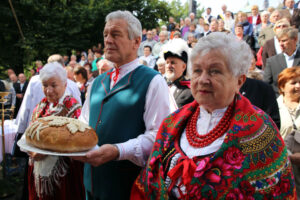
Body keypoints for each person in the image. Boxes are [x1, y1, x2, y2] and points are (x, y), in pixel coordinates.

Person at [131, 32, 296, 199]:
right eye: (197, 70)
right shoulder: (171, 124)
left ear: (239, 81)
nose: (203, 79)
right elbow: (150, 182)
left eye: (214, 71)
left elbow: (278, 191)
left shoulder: (261, 131)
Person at [74, 10, 170, 200]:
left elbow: (159, 137)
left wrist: (118, 151)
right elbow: (82, 124)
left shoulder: (152, 81)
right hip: (91, 187)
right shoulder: (96, 83)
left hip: (128, 190)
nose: (108, 40)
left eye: (115, 34)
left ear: (136, 42)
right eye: (106, 34)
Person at [25, 62, 84, 200]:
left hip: (64, 176)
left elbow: (77, 141)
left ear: (64, 84)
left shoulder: (73, 108)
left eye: (53, 85)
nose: (48, 90)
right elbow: (30, 134)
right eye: (45, 85)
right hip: (38, 171)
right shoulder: (41, 106)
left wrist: (46, 150)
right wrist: (31, 149)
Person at [277, 67, 300, 198]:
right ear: (282, 86)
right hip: (281, 165)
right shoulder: (274, 106)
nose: (298, 86)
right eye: (293, 83)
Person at [264, 27, 300, 96]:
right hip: (279, 102)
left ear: (295, 39)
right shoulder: (272, 61)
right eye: (279, 41)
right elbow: (266, 84)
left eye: (284, 41)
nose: (281, 44)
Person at [162, 38, 194, 108]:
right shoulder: (161, 86)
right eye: (167, 63)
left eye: (173, 62)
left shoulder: (191, 91)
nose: (169, 66)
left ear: (183, 66)